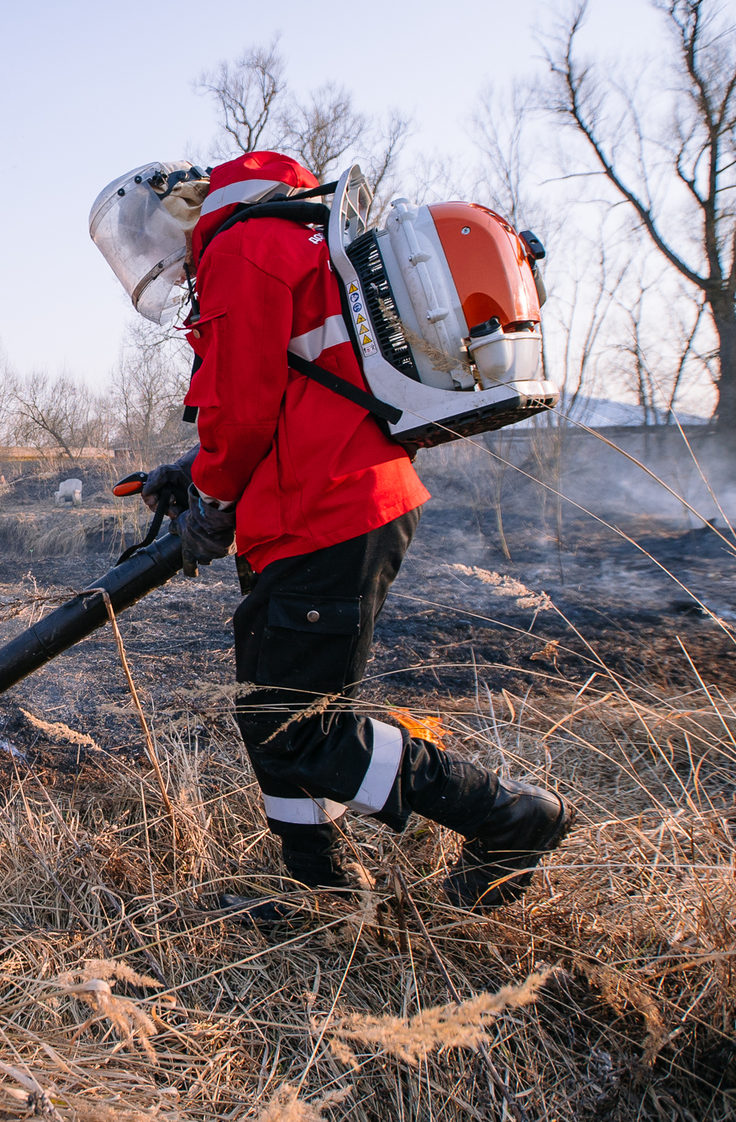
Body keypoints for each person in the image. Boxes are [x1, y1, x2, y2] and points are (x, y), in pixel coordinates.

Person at [90, 152, 572, 913]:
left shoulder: (243, 247)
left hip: (331, 508)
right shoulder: (284, 235)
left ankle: (508, 818)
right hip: (308, 508)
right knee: (273, 711)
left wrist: (211, 496)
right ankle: (322, 886)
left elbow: (243, 411)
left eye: (151, 239)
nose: (158, 261)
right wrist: (193, 472)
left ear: (184, 208)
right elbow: (287, 391)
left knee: (306, 729)